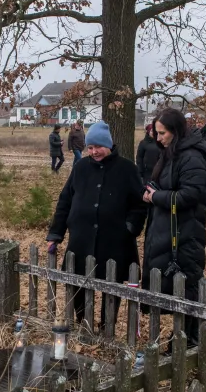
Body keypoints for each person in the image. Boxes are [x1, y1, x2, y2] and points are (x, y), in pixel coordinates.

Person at [46, 121, 146, 326]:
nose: (93, 152)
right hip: (81, 238)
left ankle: (107, 324)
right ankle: (84, 321)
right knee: (78, 283)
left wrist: (130, 228)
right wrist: (56, 233)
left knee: (111, 284)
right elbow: (65, 199)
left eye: (97, 147)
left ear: (108, 145)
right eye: (90, 148)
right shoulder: (81, 167)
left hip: (115, 240)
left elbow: (139, 205)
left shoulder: (128, 169)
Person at [142, 107, 206, 348]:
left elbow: (190, 195)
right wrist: (150, 190)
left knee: (187, 287)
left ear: (176, 131)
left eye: (162, 133)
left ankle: (188, 342)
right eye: (156, 134)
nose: (158, 138)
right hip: (168, 230)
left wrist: (157, 197)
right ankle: (181, 340)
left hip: (185, 233)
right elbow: (165, 185)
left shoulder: (191, 157)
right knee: (172, 287)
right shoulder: (169, 154)